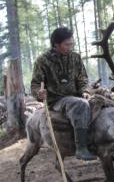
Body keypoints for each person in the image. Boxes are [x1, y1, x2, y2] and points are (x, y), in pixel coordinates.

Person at [31, 27, 96, 161]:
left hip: (76, 96)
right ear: (56, 45)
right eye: (67, 44)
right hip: (56, 100)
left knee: (99, 102)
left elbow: (82, 78)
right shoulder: (42, 61)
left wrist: (85, 91)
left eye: (72, 44)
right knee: (81, 105)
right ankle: (81, 149)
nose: (70, 47)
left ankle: (101, 146)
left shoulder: (75, 57)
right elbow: (35, 84)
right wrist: (39, 93)